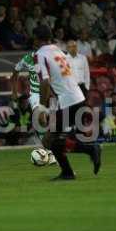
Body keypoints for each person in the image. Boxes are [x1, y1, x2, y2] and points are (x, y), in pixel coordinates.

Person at [35, 25, 101, 180]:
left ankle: (90, 151)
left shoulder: (40, 54)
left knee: (49, 140)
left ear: (36, 39)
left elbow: (45, 82)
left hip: (68, 101)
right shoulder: (59, 51)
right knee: (52, 140)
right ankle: (69, 171)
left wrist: (42, 108)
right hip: (77, 97)